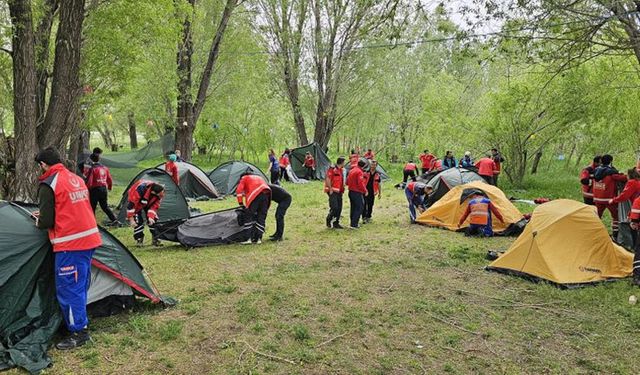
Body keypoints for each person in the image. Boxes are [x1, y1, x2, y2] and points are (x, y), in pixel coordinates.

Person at [35, 147, 102, 350]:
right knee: (79, 285)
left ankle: (78, 332)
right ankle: (78, 322)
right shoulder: (75, 178)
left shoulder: (49, 183)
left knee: (68, 288)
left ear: (43, 165)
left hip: (70, 243)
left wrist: (38, 220)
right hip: (89, 239)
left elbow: (47, 221)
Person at [593, 154, 627, 239]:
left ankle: (594, 233)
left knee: (597, 216)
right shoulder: (611, 172)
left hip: (597, 198)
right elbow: (623, 178)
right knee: (616, 217)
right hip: (609, 199)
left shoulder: (596, 170)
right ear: (611, 161)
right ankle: (615, 235)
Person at [126, 180, 165, 247]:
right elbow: (131, 206)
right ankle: (139, 239)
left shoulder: (160, 191)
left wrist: (151, 217)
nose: (162, 195)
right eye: (159, 194)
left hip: (148, 202)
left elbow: (155, 205)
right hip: (136, 203)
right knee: (138, 221)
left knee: (154, 220)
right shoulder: (139, 190)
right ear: (153, 192)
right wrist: (131, 219)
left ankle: (155, 239)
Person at [237, 172, 271, 244]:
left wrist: (241, 203)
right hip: (266, 195)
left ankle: (248, 239)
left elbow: (239, 191)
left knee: (249, 216)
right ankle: (258, 239)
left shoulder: (244, 178)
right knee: (261, 217)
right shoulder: (259, 177)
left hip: (255, 196)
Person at [84, 153, 118, 224]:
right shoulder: (105, 168)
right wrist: (109, 187)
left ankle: (91, 222)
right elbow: (109, 179)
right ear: (99, 159)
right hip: (103, 189)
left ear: (91, 159)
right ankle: (114, 220)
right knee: (105, 206)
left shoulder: (92, 169)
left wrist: (86, 189)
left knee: (92, 207)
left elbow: (90, 181)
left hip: (95, 190)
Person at [325, 157, 346, 229]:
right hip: (332, 191)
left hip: (339, 191)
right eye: (344, 162)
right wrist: (330, 189)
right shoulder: (332, 169)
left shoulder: (341, 170)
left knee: (339, 208)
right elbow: (327, 178)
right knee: (334, 207)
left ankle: (336, 223)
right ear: (342, 162)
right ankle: (329, 219)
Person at [347, 159, 368, 229]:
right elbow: (360, 183)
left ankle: (352, 222)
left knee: (353, 207)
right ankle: (354, 224)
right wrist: (365, 191)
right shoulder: (359, 172)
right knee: (359, 207)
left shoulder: (352, 170)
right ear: (364, 166)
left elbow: (347, 181)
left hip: (350, 191)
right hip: (357, 192)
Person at [629, 194, 640, 286]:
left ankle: (637, 276)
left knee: (639, 252)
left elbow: (634, 217)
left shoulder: (638, 200)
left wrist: (634, 223)